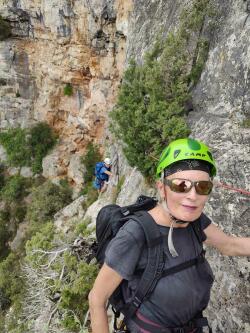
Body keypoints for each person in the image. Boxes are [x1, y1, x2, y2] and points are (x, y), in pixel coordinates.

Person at [88, 138, 250, 333]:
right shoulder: (135, 234)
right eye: (181, 185)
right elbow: (97, 298)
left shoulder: (194, 221)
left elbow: (230, 245)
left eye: (203, 186)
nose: (193, 196)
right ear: (161, 187)